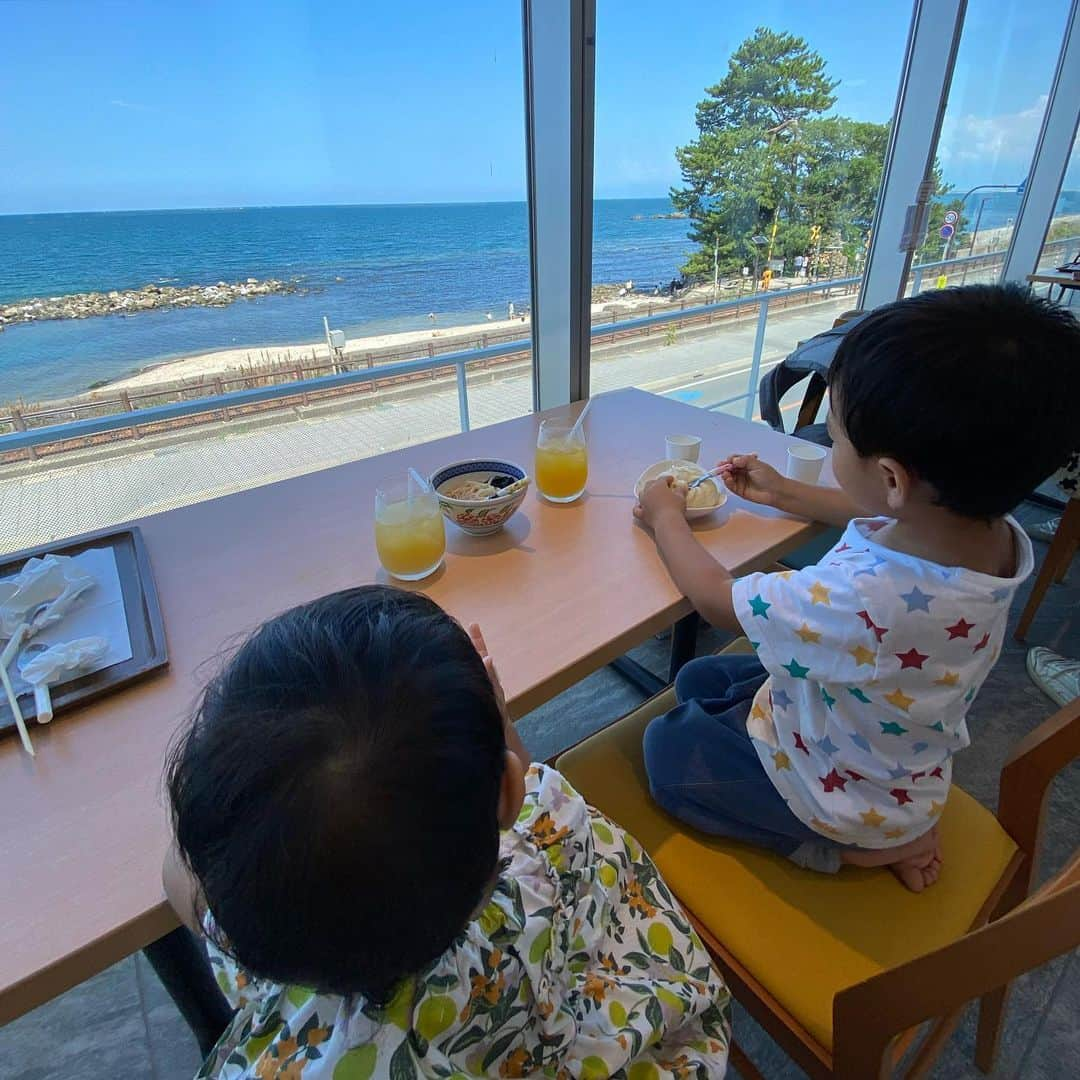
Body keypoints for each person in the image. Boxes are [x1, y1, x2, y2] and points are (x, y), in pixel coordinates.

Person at [163, 587, 730, 1078]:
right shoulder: (540, 861)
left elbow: (179, 876)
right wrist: (496, 726)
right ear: (507, 791)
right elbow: (528, 795)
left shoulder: (268, 940)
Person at [634, 284, 1080, 892]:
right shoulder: (985, 532)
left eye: (836, 435)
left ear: (893, 476)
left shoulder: (865, 601)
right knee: (697, 679)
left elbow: (715, 598)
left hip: (843, 794)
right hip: (885, 748)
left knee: (666, 749)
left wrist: (663, 516)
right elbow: (885, 511)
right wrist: (785, 493)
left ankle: (840, 851)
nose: (831, 442)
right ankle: (881, 826)